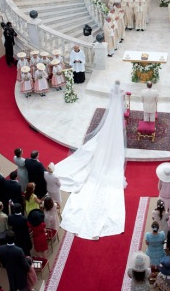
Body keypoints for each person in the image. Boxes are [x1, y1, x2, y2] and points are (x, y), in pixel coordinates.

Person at [53, 80, 127, 239]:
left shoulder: (114, 93)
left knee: (108, 130)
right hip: (117, 115)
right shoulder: (120, 94)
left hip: (112, 116)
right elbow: (122, 102)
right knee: (115, 136)